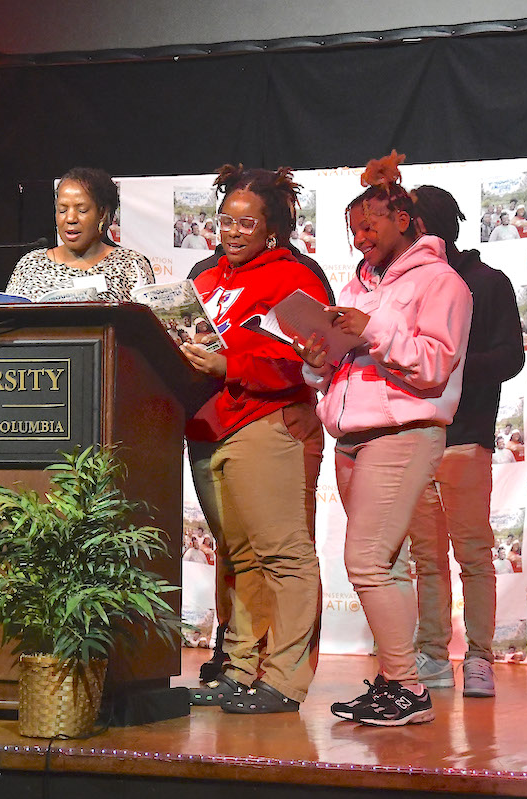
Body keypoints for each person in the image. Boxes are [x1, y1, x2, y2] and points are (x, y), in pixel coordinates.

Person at [292, 151, 472, 726]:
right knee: (386, 566)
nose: (361, 236)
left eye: (370, 224)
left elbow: (435, 366)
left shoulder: (443, 282)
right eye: (353, 229)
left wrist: (371, 330)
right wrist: (317, 361)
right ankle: (397, 684)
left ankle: (410, 688)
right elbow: (338, 372)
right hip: (351, 438)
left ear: (403, 220)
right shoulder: (356, 285)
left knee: (366, 561)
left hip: (404, 432)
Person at [185, 164, 329, 715]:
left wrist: (230, 363)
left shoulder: (292, 277)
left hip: (261, 425)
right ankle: (240, 668)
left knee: (283, 556)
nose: (233, 230)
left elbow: (304, 357)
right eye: (226, 220)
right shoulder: (205, 279)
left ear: (271, 229)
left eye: (247, 223)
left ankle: (286, 679)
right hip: (205, 428)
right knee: (240, 557)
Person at [404, 185, 525, 699]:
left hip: (466, 436)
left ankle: (479, 656)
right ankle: (431, 655)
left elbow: (511, 357)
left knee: (472, 553)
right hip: (412, 436)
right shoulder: (403, 283)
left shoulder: (487, 282)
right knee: (426, 557)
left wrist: (446, 370)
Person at [6, 167, 153, 302]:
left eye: (81, 210)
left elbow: (149, 326)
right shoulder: (30, 264)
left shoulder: (130, 265)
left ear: (102, 214)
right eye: (62, 210)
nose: (70, 219)